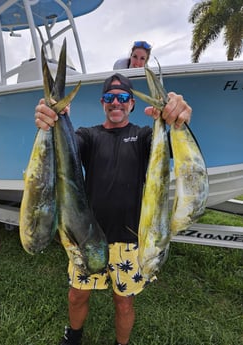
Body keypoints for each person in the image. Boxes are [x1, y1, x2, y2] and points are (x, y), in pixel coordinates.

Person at [34, 73, 192, 345]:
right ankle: (73, 337)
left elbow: (171, 150)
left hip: (130, 238)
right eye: (109, 97)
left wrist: (176, 117)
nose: (115, 102)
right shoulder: (88, 135)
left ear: (131, 103)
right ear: (102, 102)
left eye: (122, 98)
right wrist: (53, 121)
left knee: (124, 303)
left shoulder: (144, 136)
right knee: (77, 294)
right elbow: (69, 146)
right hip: (87, 236)